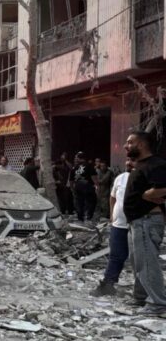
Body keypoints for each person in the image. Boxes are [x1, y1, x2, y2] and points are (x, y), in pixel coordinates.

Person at [123, 131, 166, 315]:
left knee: (147, 262)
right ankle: (140, 297)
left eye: (130, 142)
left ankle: (158, 303)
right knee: (138, 261)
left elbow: (162, 187)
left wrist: (149, 195)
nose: (126, 146)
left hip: (146, 220)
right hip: (137, 221)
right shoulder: (142, 165)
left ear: (141, 144)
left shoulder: (156, 164)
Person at [91, 158, 134, 297]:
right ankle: (108, 284)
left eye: (132, 160)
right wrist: (112, 214)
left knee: (139, 258)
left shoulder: (146, 178)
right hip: (119, 224)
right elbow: (112, 197)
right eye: (127, 160)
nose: (128, 163)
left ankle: (143, 292)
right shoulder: (120, 178)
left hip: (137, 225)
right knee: (116, 255)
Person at [70, 151, 98, 223]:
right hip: (87, 186)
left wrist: (72, 189)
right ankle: (89, 217)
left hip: (77, 187)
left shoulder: (74, 167)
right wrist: (97, 185)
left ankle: (80, 218)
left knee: (79, 203)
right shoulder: (89, 165)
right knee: (92, 201)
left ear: (79, 158)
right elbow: (93, 177)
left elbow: (71, 180)